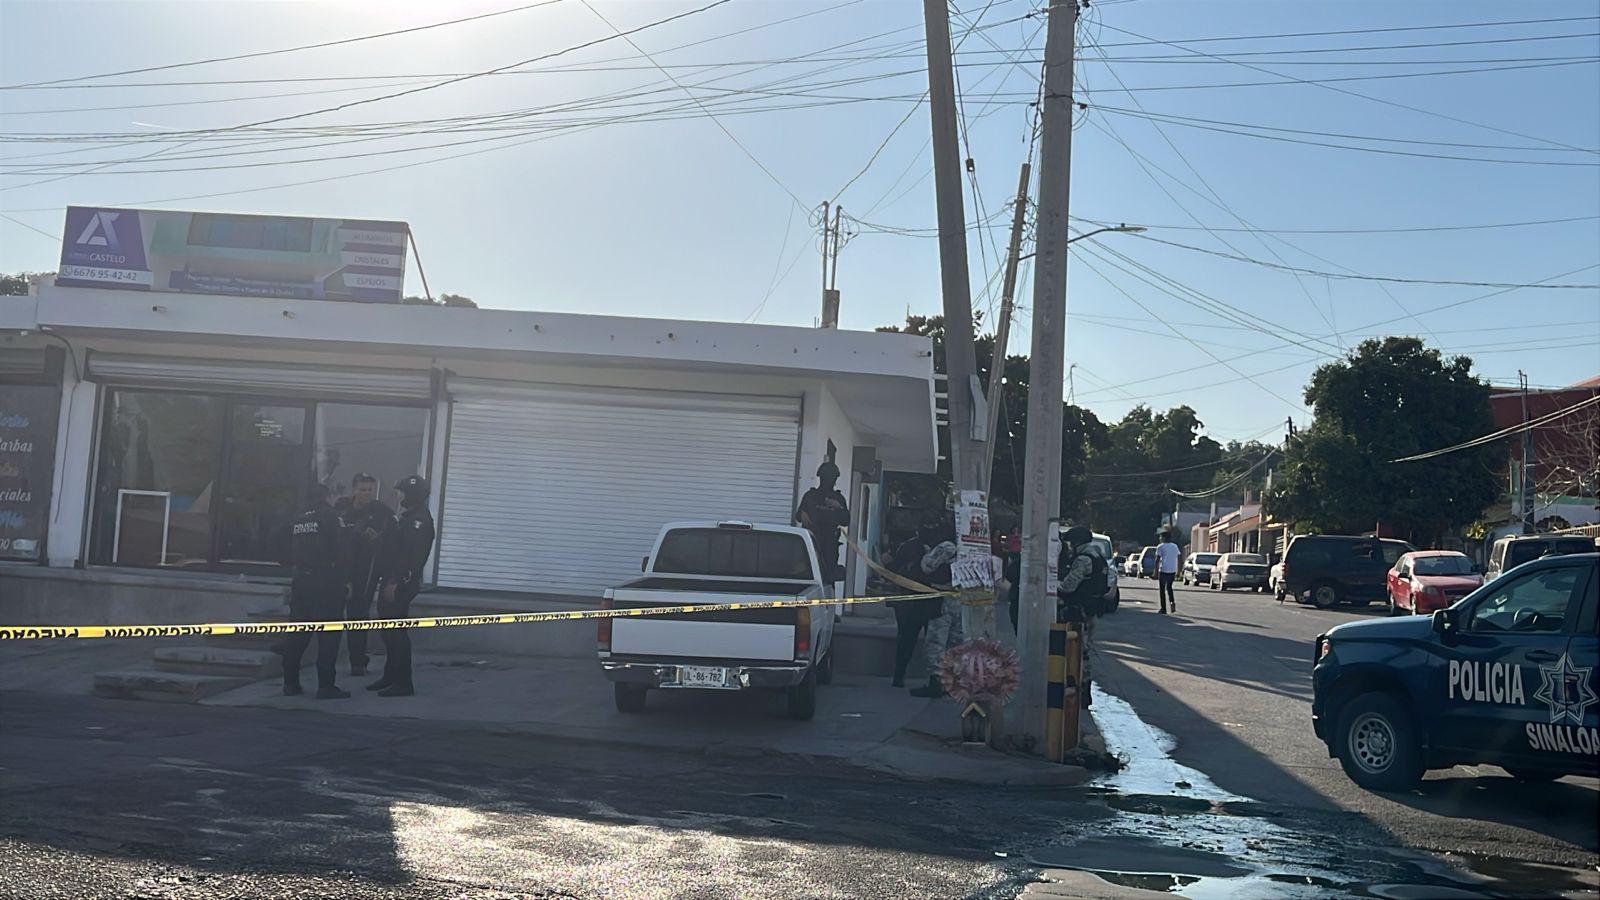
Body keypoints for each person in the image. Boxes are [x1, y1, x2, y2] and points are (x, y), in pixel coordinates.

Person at [367, 474, 436, 698]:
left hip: (400, 582)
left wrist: (396, 581)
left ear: (413, 495)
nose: (399, 496)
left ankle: (403, 683)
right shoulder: (406, 517)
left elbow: (412, 557)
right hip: (391, 578)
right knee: (387, 631)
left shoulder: (419, 521)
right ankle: (391, 676)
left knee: (395, 632)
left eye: (403, 492)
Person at [282, 483, 350, 700]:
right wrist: (345, 580)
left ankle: (290, 683)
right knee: (329, 635)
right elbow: (340, 550)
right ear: (327, 496)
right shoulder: (331, 516)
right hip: (326, 581)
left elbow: (281, 546)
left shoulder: (299, 518)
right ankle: (326, 685)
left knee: (298, 634)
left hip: (301, 579)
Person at [335, 473, 393, 677]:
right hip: (338, 570)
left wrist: (376, 540)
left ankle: (357, 663)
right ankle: (326, 660)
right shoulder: (340, 509)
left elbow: (393, 542)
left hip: (364, 573)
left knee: (357, 617)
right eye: (362, 489)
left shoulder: (381, 512)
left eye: (370, 489)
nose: (366, 493)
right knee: (330, 616)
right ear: (354, 490)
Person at [1057, 525, 1110, 708]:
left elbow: (1069, 586)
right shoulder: (1098, 557)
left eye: (1072, 542)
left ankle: (1079, 692)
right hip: (1091, 611)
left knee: (1078, 653)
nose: (1070, 546)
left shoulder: (1083, 559)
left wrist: (1053, 586)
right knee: (1084, 651)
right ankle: (1083, 692)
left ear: (1078, 542)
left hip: (1079, 611)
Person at [910, 524, 963, 698]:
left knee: (936, 642)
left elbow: (928, 565)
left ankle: (936, 683)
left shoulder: (948, 546)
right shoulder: (974, 547)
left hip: (943, 600)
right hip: (962, 600)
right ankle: (951, 684)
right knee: (955, 643)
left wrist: (928, 552)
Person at [887, 522, 941, 688]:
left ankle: (903, 676)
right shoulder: (935, 548)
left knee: (913, 640)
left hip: (922, 600)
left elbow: (894, 569)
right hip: (919, 600)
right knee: (917, 641)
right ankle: (903, 676)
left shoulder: (938, 549)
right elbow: (896, 569)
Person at [796, 461, 850, 596]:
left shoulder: (838, 498)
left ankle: (828, 611)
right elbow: (798, 516)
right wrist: (802, 513)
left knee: (828, 578)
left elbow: (846, 521)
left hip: (829, 544)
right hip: (812, 543)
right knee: (810, 577)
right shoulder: (811, 496)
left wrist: (839, 507)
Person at [1155, 530, 1180, 614]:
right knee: (1169, 588)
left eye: (1161, 537)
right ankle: (1172, 603)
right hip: (1172, 570)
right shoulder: (1175, 546)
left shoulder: (1160, 547)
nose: (1160, 538)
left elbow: (1157, 560)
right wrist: (1178, 570)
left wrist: (1155, 571)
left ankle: (1163, 608)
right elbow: (1179, 557)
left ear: (1164, 538)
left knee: (1162, 589)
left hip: (1164, 570)